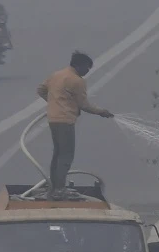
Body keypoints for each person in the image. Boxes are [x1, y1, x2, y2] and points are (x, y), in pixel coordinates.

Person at [36, 52, 114, 200]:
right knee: (66, 155)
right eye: (87, 68)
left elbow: (40, 90)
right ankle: (59, 190)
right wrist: (101, 112)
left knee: (57, 154)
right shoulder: (76, 81)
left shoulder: (57, 75)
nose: (87, 71)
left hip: (53, 119)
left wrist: (54, 103)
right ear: (79, 65)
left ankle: (53, 187)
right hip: (66, 121)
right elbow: (84, 105)